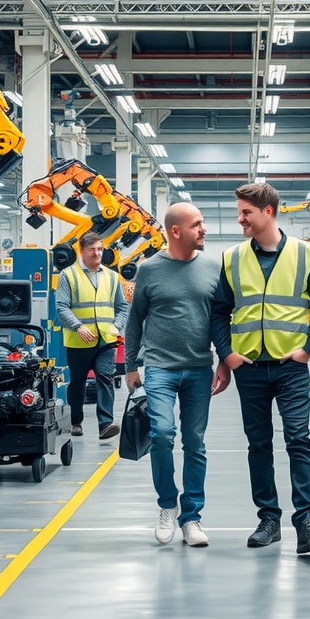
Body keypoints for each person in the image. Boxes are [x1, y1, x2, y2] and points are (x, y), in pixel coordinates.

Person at [210, 182, 310, 554]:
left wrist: (309, 349)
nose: (240, 219)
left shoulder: (304, 253)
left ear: (268, 212)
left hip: (290, 367)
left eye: (246, 212)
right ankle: (268, 519)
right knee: (259, 444)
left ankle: (307, 521)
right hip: (249, 367)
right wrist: (227, 354)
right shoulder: (232, 257)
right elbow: (219, 312)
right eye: (239, 211)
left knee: (298, 439)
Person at [124, 202, 227, 549]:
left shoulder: (213, 267)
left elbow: (220, 320)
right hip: (159, 369)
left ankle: (192, 517)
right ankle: (168, 504)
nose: (204, 229)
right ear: (176, 231)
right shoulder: (150, 269)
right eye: (197, 224)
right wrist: (130, 367)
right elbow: (135, 319)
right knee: (163, 433)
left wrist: (224, 362)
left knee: (195, 443)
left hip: (200, 367)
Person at [56, 231, 129, 441]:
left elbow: (122, 307)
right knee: (77, 382)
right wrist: (78, 326)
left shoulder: (113, 276)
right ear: (82, 250)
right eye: (93, 249)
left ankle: (105, 424)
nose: (97, 253)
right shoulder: (68, 275)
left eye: (100, 249)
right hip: (79, 341)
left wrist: (117, 326)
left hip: (106, 340)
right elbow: (61, 307)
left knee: (105, 378)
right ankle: (76, 421)